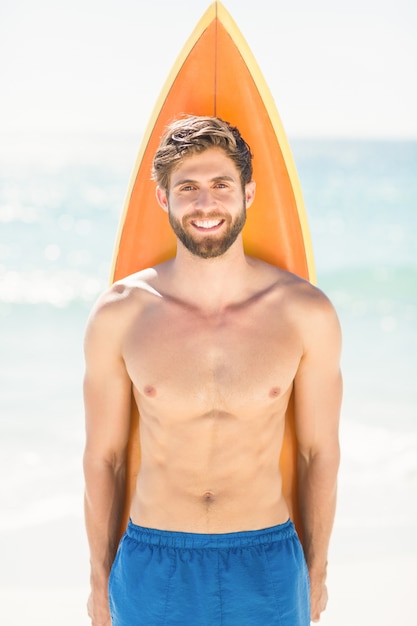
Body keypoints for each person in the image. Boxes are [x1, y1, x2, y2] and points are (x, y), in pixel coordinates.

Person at [83, 115, 342, 626]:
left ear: (247, 192)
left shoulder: (305, 313)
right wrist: (97, 581)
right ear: (164, 199)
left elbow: (319, 453)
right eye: (188, 188)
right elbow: (103, 458)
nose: (206, 204)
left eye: (221, 185)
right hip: (152, 560)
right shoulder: (120, 313)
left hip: (266, 562)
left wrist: (316, 571)